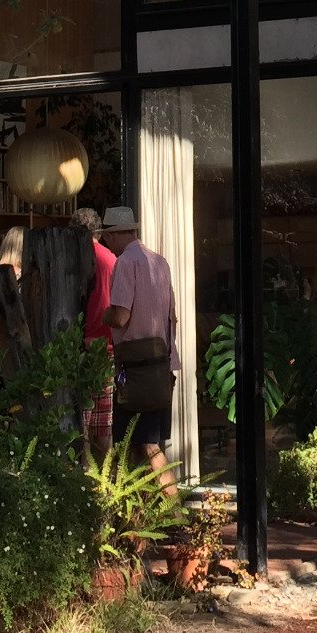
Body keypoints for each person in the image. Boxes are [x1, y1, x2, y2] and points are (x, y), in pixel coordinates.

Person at [99, 205, 179, 493]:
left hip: (136, 369)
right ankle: (141, 520)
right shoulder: (160, 261)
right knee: (141, 443)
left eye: (108, 237)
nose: (107, 243)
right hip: (161, 365)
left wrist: (103, 316)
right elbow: (173, 315)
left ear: (117, 235)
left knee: (146, 445)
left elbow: (120, 316)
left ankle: (176, 515)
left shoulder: (126, 262)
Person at [72, 207, 117, 458]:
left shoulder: (70, 257)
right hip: (106, 348)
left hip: (75, 347)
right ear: (98, 233)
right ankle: (107, 483)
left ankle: (81, 480)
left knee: (76, 423)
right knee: (102, 424)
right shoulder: (111, 260)